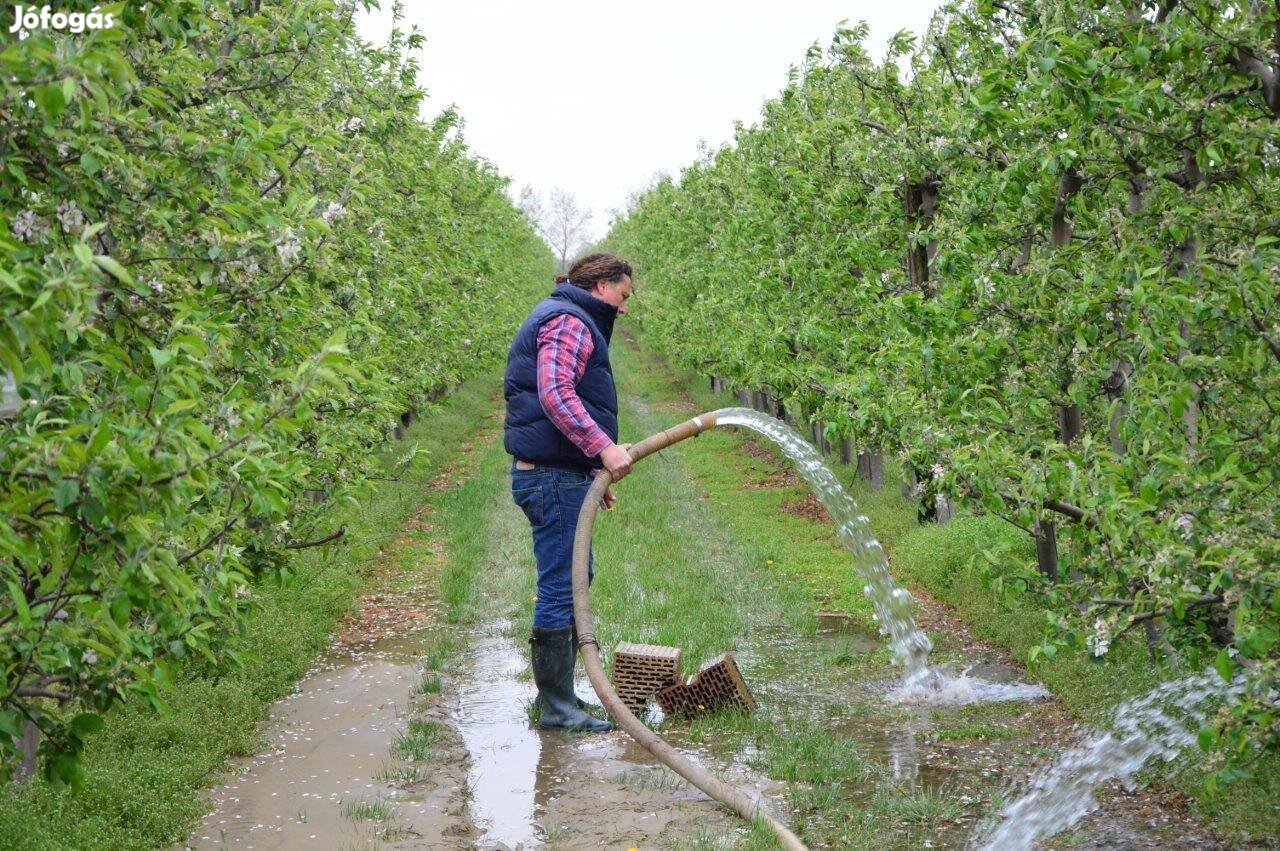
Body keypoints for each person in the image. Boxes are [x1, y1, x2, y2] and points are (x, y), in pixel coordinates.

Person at [503, 252, 635, 733]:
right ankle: (558, 708)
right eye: (623, 295)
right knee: (563, 584)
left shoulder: (569, 315)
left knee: (576, 575)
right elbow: (555, 392)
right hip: (551, 475)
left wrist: (588, 472)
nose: (624, 308)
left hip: (561, 473)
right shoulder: (569, 320)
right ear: (602, 285)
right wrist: (602, 447)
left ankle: (564, 699)